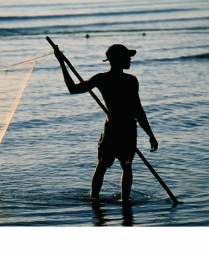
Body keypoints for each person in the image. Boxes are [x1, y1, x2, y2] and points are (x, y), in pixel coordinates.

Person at [54, 43, 158, 202]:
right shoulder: (124, 80)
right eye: (126, 58)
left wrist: (150, 134)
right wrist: (62, 62)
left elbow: (138, 110)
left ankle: (100, 202)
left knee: (109, 166)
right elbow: (73, 89)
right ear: (117, 60)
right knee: (118, 166)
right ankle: (119, 202)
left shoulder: (109, 79)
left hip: (121, 130)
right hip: (121, 130)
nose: (130, 60)